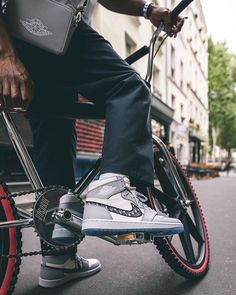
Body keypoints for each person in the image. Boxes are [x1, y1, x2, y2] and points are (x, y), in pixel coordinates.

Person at [0, 0, 185, 289]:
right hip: (40, 26)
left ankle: (58, 259)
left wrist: (146, 9)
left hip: (29, 41)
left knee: (56, 129)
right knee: (129, 86)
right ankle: (112, 195)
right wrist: (4, 55)